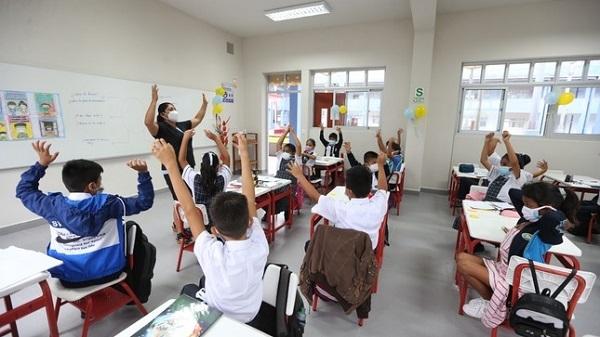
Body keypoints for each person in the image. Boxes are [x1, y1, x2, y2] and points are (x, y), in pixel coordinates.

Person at [151, 134, 269, 325]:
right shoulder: (259, 244)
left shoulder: (212, 254)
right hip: (251, 313)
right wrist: (244, 154)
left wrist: (171, 165)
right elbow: (249, 198)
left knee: (190, 288)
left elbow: (190, 210)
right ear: (249, 222)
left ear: (215, 231)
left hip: (220, 317)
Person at [15, 141, 154, 288]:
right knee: (132, 231)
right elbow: (144, 202)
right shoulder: (110, 204)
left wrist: (41, 165)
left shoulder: (51, 205)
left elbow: (24, 190)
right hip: (109, 272)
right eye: (99, 181)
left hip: (68, 278)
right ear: (92, 186)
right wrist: (143, 173)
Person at [456, 181, 578, 327]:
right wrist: (534, 203)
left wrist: (547, 209)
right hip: (506, 268)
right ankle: (495, 301)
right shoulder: (530, 218)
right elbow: (514, 193)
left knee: (464, 264)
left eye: (529, 205)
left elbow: (557, 218)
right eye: (524, 203)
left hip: (520, 279)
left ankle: (500, 306)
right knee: (462, 257)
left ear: (545, 208)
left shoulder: (547, 230)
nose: (525, 208)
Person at [289, 151, 389, 250]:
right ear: (369, 189)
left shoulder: (340, 208)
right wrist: (380, 166)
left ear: (349, 191)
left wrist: (300, 176)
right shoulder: (378, 205)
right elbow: (383, 189)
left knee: (309, 244)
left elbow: (315, 196)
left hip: (341, 255)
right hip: (366, 256)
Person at [144, 84, 208, 201]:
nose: (174, 111)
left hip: (187, 166)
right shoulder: (161, 128)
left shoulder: (182, 125)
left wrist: (205, 105)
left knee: (191, 197)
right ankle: (179, 219)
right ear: (163, 114)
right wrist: (154, 101)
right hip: (173, 169)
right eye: (170, 109)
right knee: (180, 199)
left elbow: (197, 118)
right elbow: (148, 123)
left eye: (174, 108)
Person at [177, 128, 231, 241]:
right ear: (218, 167)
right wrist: (216, 138)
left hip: (199, 228)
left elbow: (181, 160)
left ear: (202, 167)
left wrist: (185, 138)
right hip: (219, 225)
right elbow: (226, 158)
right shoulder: (222, 179)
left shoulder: (194, 179)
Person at [480, 131, 534, 204]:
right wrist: (486, 142)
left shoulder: (518, 176)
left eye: (505, 164)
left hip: (503, 205)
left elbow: (514, 163)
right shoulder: (498, 173)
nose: (502, 166)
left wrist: (506, 141)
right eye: (501, 164)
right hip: (488, 202)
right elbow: (483, 160)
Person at [268, 125, 302, 221]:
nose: (285, 152)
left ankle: (287, 213)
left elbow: (299, 146)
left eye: (288, 151)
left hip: (290, 185)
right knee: (269, 195)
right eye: (284, 150)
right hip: (278, 183)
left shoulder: (297, 160)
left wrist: (293, 133)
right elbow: (279, 143)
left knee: (285, 198)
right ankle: (268, 212)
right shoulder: (280, 156)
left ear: (293, 152)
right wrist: (286, 132)